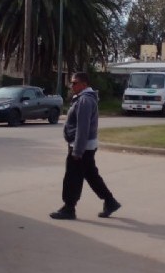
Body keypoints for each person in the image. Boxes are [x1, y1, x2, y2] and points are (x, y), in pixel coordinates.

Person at [50, 72, 121, 221]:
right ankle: (110, 201)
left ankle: (69, 209)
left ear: (84, 84)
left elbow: (83, 127)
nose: (72, 86)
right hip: (85, 146)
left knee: (72, 178)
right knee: (91, 175)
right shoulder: (83, 99)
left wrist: (77, 150)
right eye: (71, 83)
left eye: (74, 83)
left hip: (81, 147)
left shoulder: (85, 101)